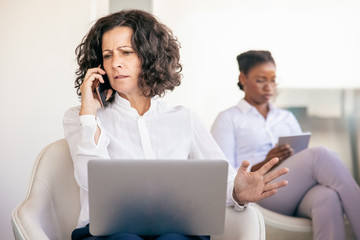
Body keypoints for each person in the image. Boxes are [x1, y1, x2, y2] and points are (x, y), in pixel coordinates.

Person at [63, 11, 289, 240]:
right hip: (108, 233)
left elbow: (222, 178)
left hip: (175, 229)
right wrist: (89, 116)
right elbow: (88, 180)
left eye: (126, 53)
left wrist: (238, 192)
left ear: (149, 56)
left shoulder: (183, 119)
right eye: (108, 55)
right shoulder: (81, 117)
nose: (115, 63)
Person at [211, 50, 360, 240]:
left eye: (273, 80)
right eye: (260, 80)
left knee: (327, 197)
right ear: (243, 78)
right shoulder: (228, 119)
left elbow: (305, 161)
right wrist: (268, 161)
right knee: (320, 155)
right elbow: (225, 176)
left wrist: (291, 158)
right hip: (260, 194)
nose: (269, 87)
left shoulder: (286, 117)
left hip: (293, 189)